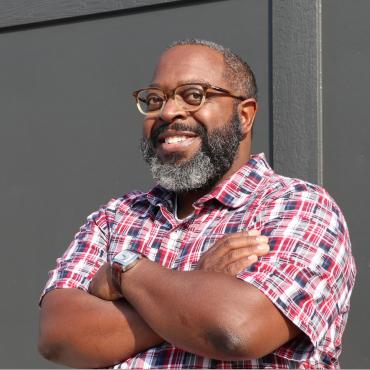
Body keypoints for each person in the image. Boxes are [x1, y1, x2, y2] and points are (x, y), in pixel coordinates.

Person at [38, 39, 356, 369]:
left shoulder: (297, 207)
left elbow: (236, 329)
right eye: (155, 99)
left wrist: (125, 274)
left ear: (244, 115)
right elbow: (58, 336)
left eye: (193, 95)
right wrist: (195, 283)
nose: (168, 112)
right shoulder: (116, 217)